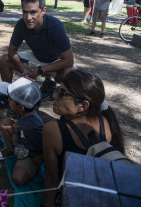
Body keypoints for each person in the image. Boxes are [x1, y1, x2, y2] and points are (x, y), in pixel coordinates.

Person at [41, 69, 125, 207]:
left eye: (62, 93)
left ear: (83, 106)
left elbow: (52, 178)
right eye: (57, 89)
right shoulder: (107, 120)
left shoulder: (53, 130)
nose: (54, 95)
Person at [0, 0, 74, 108]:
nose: (28, 17)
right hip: (35, 57)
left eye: (33, 12)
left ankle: (62, 102)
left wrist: (39, 70)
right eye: (25, 12)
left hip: (55, 62)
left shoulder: (55, 26)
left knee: (71, 75)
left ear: (43, 11)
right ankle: (8, 97)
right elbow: (11, 52)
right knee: (5, 59)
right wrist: (23, 68)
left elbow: (68, 60)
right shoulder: (21, 24)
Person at [0, 77, 44, 186]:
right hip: (23, 141)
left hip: (31, 154)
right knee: (5, 123)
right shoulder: (25, 112)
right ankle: (10, 150)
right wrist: (18, 127)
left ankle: (28, 165)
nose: (8, 100)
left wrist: (36, 159)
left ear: (21, 107)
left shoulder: (35, 127)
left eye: (11, 99)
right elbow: (22, 124)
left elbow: (43, 148)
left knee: (18, 178)